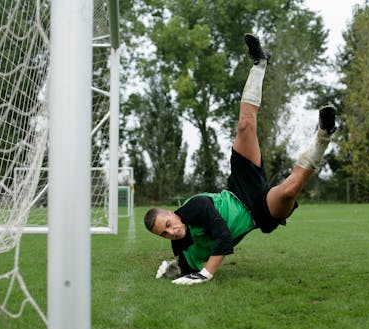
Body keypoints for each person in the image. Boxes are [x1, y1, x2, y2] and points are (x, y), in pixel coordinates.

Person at [144, 33, 337, 285]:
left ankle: (259, 63)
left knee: (245, 125)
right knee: (290, 190)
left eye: (169, 223)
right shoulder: (181, 244)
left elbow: (223, 237)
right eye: (165, 234)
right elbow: (186, 265)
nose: (172, 231)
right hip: (260, 213)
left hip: (240, 188)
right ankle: (324, 135)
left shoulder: (194, 207)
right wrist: (175, 267)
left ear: (173, 213)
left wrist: (205, 274)